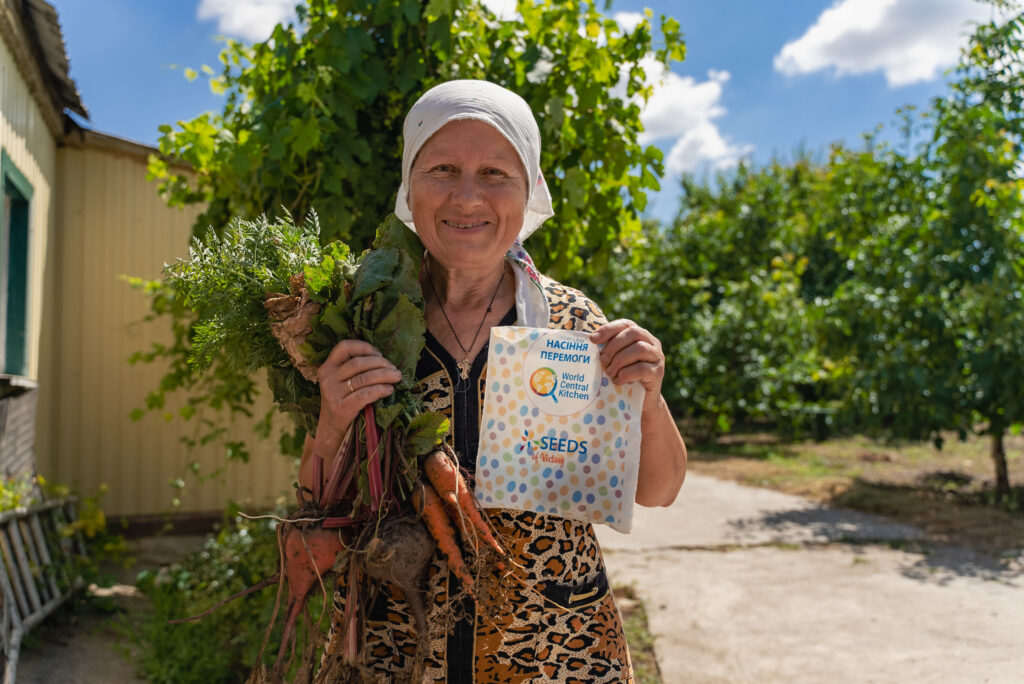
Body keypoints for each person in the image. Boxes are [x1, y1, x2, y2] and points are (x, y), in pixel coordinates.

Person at [300, 79, 687, 683]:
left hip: (559, 654)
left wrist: (649, 398)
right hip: (403, 655)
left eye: (495, 173)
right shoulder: (365, 322)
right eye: (443, 168)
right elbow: (314, 506)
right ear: (409, 183)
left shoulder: (575, 325)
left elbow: (658, 491)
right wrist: (330, 425)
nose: (467, 196)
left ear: (529, 187)